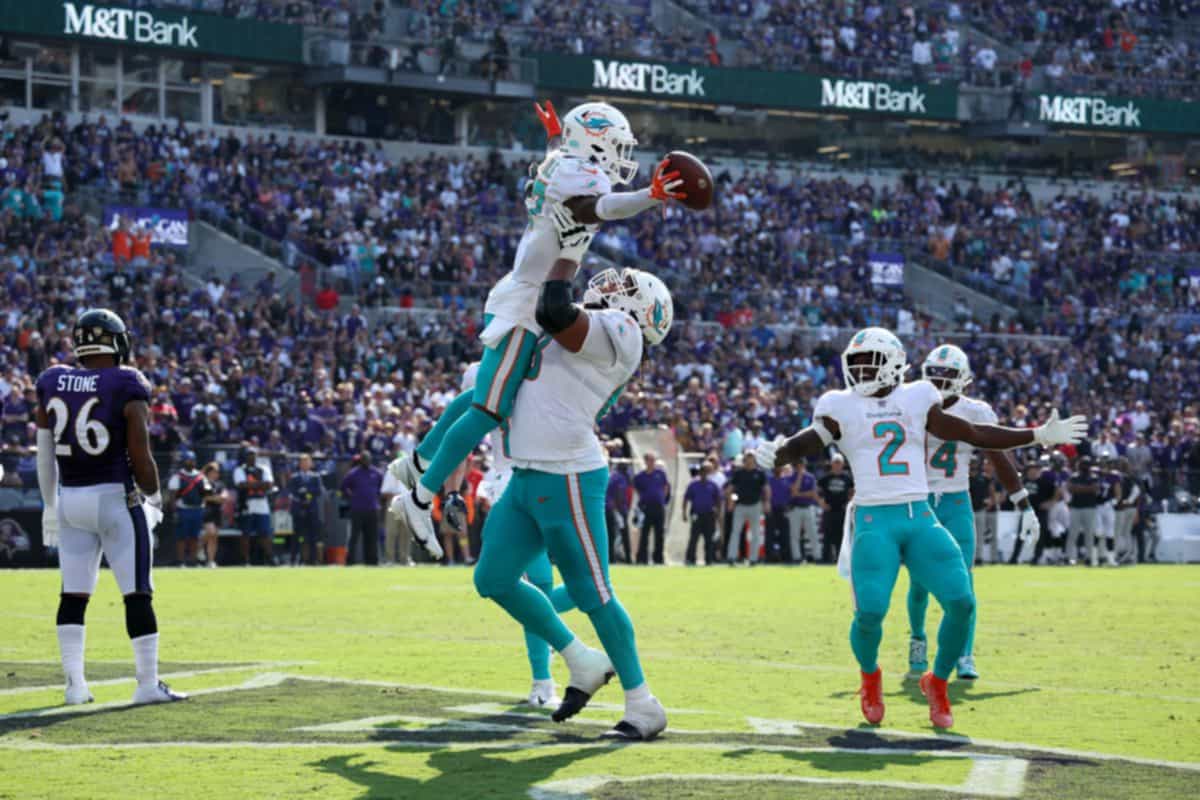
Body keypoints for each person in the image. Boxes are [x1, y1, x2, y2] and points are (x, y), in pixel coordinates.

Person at [753, 327, 1083, 729]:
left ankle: (937, 682)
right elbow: (809, 441)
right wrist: (780, 452)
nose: (859, 371)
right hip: (875, 520)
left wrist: (1036, 435)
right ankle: (870, 676)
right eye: (854, 363)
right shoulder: (840, 405)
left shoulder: (917, 397)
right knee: (870, 614)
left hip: (921, 515)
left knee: (962, 602)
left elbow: (974, 434)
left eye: (867, 362)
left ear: (893, 363)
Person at [394, 101, 686, 553]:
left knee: (482, 397)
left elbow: (570, 182)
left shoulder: (562, 161)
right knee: (489, 410)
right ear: (591, 141)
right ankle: (420, 495)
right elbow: (598, 207)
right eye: (614, 144)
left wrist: (555, 136)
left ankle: (417, 461)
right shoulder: (581, 174)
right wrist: (651, 196)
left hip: (522, 294)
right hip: (528, 306)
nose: (620, 156)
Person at [473, 267, 674, 740]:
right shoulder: (599, 332)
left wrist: (563, 256)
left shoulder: (621, 332)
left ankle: (643, 703)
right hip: (527, 471)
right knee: (493, 578)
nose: (610, 286)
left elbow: (553, 310)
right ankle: (580, 658)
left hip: (568, 475)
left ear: (640, 309)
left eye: (625, 288)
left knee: (593, 593)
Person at [37, 308, 186, 706]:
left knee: (73, 595)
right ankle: (147, 685)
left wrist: (50, 506)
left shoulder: (52, 379)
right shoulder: (127, 381)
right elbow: (141, 452)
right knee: (137, 594)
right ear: (118, 342)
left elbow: (44, 450)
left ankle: (75, 686)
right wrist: (154, 497)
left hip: (70, 500)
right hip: (115, 498)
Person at [904, 345, 1040, 683]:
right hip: (919, 501)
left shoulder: (975, 411)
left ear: (963, 379)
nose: (940, 380)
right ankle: (918, 638)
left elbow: (999, 458)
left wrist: (1023, 502)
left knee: (964, 581)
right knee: (919, 581)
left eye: (948, 374)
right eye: (935, 372)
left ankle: (964, 653)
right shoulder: (910, 403)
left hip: (955, 501)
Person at [167, 450, 208, 567]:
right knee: (181, 537)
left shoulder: (200, 476)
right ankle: (181, 561)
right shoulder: (177, 476)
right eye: (188, 460)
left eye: (192, 460)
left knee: (195, 537)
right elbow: (172, 496)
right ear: (184, 461)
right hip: (183, 510)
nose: (191, 462)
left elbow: (206, 493)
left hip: (197, 509)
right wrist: (174, 512)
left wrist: (204, 507)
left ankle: (193, 560)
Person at [726, 452, 769, 565]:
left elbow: (766, 489)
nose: (749, 461)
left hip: (755, 505)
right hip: (740, 505)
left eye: (751, 458)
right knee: (735, 532)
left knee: (755, 533)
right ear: (744, 460)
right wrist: (732, 501)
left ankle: (753, 559)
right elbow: (732, 490)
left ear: (754, 460)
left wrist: (766, 502)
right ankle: (732, 557)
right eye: (747, 458)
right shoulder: (739, 473)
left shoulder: (760, 473)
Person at [234, 449, 275, 566]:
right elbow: (241, 485)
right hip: (246, 504)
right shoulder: (239, 469)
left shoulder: (264, 468)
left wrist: (252, 484)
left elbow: (269, 484)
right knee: (245, 533)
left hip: (262, 504)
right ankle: (245, 560)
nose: (252, 458)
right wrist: (260, 484)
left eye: (253, 455)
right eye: (249, 455)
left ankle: (270, 558)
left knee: (265, 533)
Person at [341, 453, 383, 566]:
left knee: (371, 537)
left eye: (368, 459)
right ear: (361, 460)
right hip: (357, 509)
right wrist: (351, 496)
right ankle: (350, 561)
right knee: (354, 537)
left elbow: (381, 487)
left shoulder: (377, 473)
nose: (366, 461)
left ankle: (371, 561)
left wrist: (376, 496)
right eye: (364, 459)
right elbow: (344, 486)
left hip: (372, 509)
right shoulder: (353, 473)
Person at [632, 453, 670, 565]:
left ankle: (658, 558)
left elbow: (665, 487)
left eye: (653, 460)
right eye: (650, 460)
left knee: (659, 533)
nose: (652, 463)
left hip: (658, 507)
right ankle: (642, 558)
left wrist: (662, 499)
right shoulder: (640, 476)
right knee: (645, 533)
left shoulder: (660, 474)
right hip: (646, 507)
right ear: (646, 461)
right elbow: (638, 490)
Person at [682, 461, 722, 565]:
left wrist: (718, 512)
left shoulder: (713, 485)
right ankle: (690, 559)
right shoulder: (693, 484)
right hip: (696, 514)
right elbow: (686, 499)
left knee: (709, 538)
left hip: (709, 514)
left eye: (707, 471)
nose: (704, 473)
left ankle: (709, 559)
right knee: (694, 538)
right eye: (703, 471)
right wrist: (684, 513)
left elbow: (718, 500)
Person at [817, 454, 853, 564]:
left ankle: (840, 559)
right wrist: (822, 503)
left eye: (839, 463)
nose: (837, 465)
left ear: (842, 464)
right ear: (832, 464)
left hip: (842, 510)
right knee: (827, 535)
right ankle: (825, 559)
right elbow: (817, 492)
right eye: (835, 463)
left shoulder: (847, 478)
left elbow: (852, 492)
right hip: (829, 510)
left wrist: (849, 504)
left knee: (841, 536)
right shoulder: (825, 478)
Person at [289, 454, 324, 566]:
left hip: (311, 510)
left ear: (310, 463)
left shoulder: (315, 476)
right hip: (299, 509)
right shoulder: (294, 477)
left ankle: (312, 560)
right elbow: (293, 491)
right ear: (299, 464)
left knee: (312, 536)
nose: (305, 464)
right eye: (302, 462)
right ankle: (294, 560)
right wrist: (301, 495)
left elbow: (318, 491)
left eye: (307, 462)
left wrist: (307, 492)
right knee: (297, 536)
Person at [1067, 457, 1102, 567]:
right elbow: (1071, 488)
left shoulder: (1093, 477)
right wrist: (1086, 488)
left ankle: (1089, 557)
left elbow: (1095, 488)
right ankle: (1070, 557)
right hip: (1075, 507)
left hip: (1089, 508)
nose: (1083, 466)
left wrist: (1080, 488)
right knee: (1073, 533)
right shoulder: (1074, 476)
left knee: (1089, 534)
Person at [380, 453, 414, 566]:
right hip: (394, 502)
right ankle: (390, 559)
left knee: (407, 532)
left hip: (408, 503)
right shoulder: (390, 472)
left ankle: (405, 559)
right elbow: (384, 492)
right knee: (391, 531)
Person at [788, 460, 820, 563]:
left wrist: (799, 494)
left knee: (813, 534)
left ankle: (817, 557)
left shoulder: (810, 477)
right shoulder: (792, 476)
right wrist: (799, 477)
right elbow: (793, 492)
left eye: (801, 464)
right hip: (796, 508)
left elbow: (813, 493)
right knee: (795, 535)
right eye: (798, 464)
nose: (799, 466)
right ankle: (797, 557)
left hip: (808, 507)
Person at [200, 461, 225, 568]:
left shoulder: (220, 484)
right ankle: (199, 547)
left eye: (217, 472)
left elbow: (224, 497)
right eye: (214, 472)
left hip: (217, 512)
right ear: (209, 472)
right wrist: (216, 498)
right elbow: (204, 497)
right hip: (206, 511)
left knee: (214, 537)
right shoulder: (203, 483)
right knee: (211, 532)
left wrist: (216, 498)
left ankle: (211, 561)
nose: (216, 474)